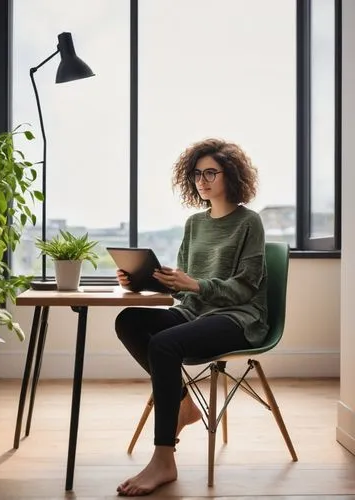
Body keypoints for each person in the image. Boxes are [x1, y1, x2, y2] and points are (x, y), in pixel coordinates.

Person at [114, 138, 268, 496]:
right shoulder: (194, 223)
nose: (203, 180)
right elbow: (185, 290)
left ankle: (164, 458)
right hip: (194, 313)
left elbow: (245, 288)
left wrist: (195, 285)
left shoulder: (249, 222)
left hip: (237, 318)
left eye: (211, 172)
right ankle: (184, 405)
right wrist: (144, 279)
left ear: (231, 174)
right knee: (128, 321)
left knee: (166, 345)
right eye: (197, 174)